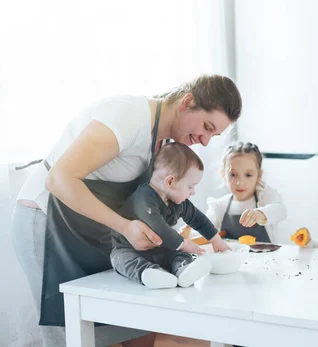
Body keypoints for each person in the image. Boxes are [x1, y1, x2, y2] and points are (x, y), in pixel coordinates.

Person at [10, 75, 242, 346]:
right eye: (207, 126)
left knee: (124, 324)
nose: (205, 141)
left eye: (213, 135)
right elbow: (59, 179)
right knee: (68, 329)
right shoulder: (127, 117)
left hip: (89, 230)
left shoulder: (165, 140)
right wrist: (124, 226)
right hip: (46, 222)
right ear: (187, 102)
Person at [111, 143, 222, 289]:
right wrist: (183, 243)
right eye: (190, 186)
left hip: (158, 249)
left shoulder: (178, 201)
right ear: (170, 182)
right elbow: (157, 226)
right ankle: (149, 273)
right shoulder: (144, 198)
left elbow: (197, 218)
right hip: (128, 248)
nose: (193, 192)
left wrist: (216, 240)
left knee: (179, 254)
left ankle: (183, 269)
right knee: (120, 260)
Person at [204, 142, 287, 243]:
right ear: (223, 175)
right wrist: (189, 233)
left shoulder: (265, 197)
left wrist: (260, 214)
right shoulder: (219, 206)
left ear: (259, 175)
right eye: (233, 174)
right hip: (231, 258)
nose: (240, 183)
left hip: (267, 257)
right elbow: (204, 230)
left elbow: (281, 211)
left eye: (248, 175)